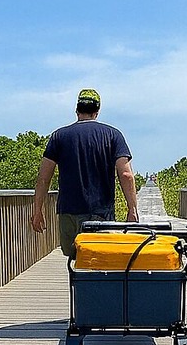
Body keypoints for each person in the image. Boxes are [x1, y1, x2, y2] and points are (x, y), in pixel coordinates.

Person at [30, 88, 139, 257]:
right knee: (100, 259)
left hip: (68, 212)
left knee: (75, 259)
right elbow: (126, 175)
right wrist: (132, 209)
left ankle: (76, 284)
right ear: (97, 111)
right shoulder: (113, 135)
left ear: (77, 109)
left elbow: (44, 178)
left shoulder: (58, 136)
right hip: (101, 213)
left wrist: (37, 210)